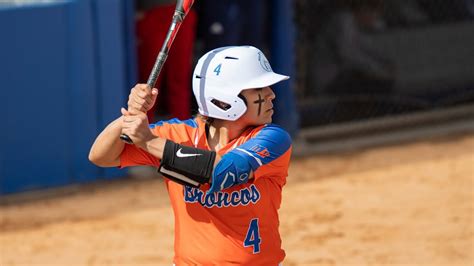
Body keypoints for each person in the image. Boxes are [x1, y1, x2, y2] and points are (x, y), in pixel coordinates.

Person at [89, 46, 292, 265]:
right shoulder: (178, 135)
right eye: (259, 87)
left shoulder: (273, 138)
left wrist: (148, 141)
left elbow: (224, 172)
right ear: (226, 98)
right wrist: (129, 117)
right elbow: (101, 156)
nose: (271, 94)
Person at [309, 0, 396, 97]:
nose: (374, 20)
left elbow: (367, 49)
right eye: (373, 15)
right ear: (364, 10)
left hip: (340, 78)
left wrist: (384, 62)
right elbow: (347, 55)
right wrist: (377, 70)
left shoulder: (355, 25)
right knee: (378, 84)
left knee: (382, 82)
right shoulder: (344, 20)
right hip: (329, 83)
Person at [135, 0, 197, 121]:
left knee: (179, 76)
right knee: (150, 79)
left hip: (183, 9)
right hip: (152, 12)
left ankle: (183, 129)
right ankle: (140, 129)